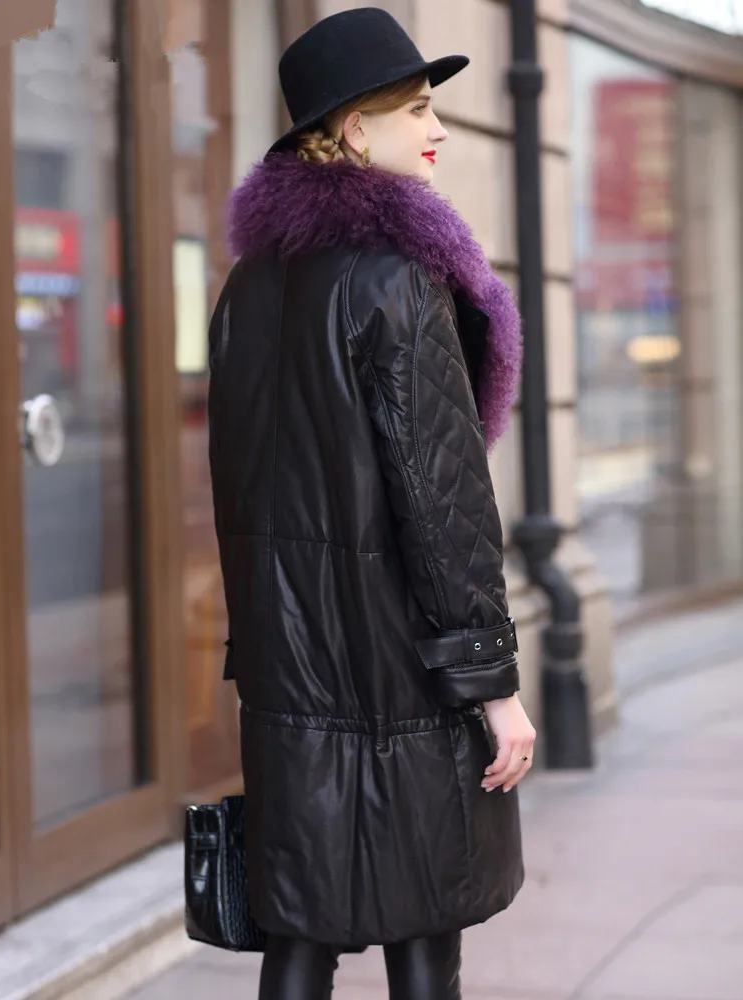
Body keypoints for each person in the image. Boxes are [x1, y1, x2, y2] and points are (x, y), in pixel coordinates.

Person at [207, 8, 537, 1000]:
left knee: (300, 929)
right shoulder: (398, 279)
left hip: (292, 667)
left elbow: (239, 486)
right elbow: (446, 508)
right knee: (426, 926)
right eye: (418, 108)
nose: (439, 127)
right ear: (355, 129)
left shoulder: (247, 287)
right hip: (401, 671)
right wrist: (493, 685)